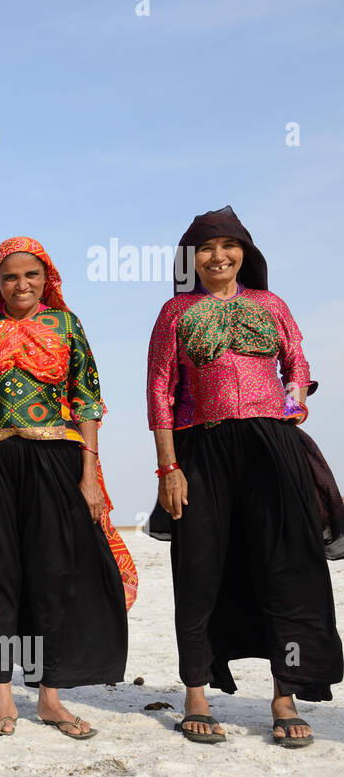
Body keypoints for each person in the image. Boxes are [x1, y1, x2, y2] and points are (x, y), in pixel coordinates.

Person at [147, 206, 342, 747]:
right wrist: (169, 467)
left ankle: (284, 695)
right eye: (207, 249)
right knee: (200, 565)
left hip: (271, 446)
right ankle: (196, 692)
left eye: (229, 246)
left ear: (245, 255)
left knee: (286, 564)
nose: (218, 256)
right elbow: (160, 391)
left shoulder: (269, 304)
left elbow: (296, 363)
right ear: (192, 260)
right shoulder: (174, 312)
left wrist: (292, 410)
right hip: (201, 449)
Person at [0, 236, 134, 739]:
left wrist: (89, 474)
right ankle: (4, 695)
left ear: (47, 278)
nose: (20, 284)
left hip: (55, 461)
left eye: (31, 275)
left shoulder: (66, 325)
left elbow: (88, 401)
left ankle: (49, 696)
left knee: (51, 573)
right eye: (10, 276)